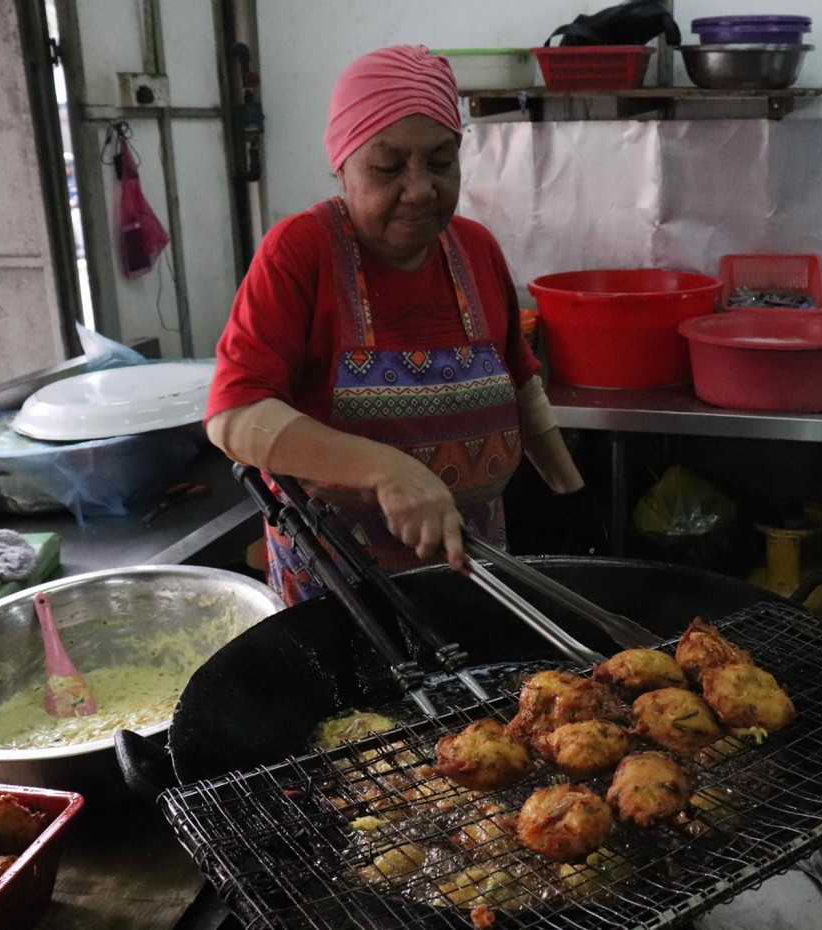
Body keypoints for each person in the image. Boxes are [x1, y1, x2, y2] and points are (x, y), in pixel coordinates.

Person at [206, 45, 597, 605]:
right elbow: (234, 415)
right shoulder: (302, 251)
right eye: (387, 168)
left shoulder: (475, 249)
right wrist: (384, 470)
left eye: (440, 162)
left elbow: (520, 383)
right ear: (342, 165)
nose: (419, 190)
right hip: (341, 591)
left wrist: (571, 496)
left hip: (476, 568)